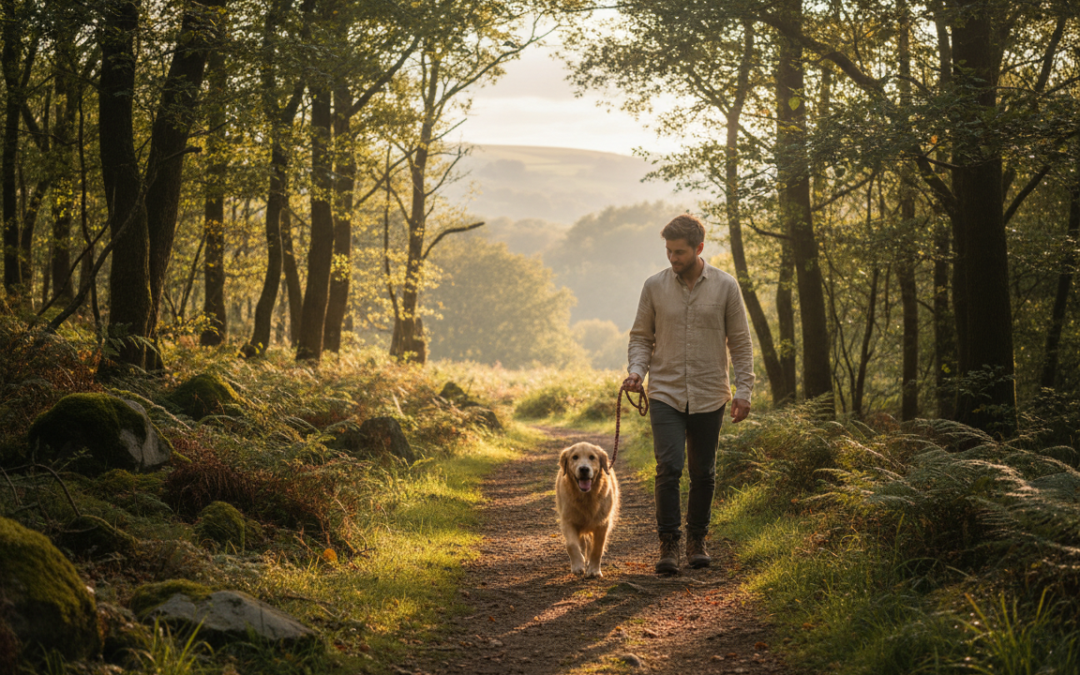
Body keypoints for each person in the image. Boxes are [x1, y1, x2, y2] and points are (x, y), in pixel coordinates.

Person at [623, 214, 754, 574]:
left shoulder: (726, 287)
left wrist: (744, 390)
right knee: (669, 467)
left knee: (703, 472)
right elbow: (640, 337)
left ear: (698, 248)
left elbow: (741, 343)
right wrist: (637, 371)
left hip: (711, 391)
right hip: (665, 390)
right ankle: (668, 543)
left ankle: (697, 540)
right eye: (668, 250)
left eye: (679, 252)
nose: (672, 258)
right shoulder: (653, 286)